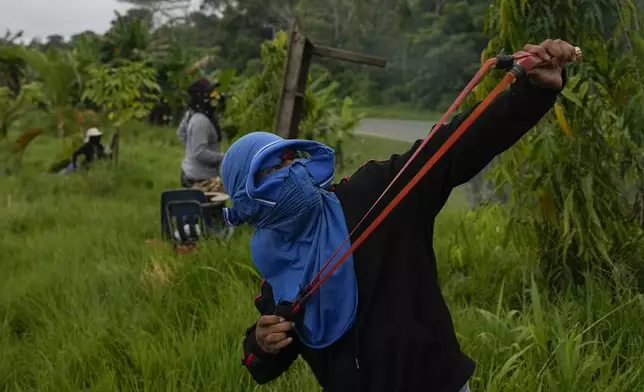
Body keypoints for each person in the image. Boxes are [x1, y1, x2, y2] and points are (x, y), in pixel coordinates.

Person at [221, 39, 577, 392]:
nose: (292, 171)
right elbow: (263, 364)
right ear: (248, 202)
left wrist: (531, 93)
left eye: (291, 160)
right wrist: (261, 343)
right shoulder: (277, 276)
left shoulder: (374, 195)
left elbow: (457, 147)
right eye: (273, 169)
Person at [177, 78, 225, 188]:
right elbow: (199, 152)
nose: (216, 96)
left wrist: (192, 146)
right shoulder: (201, 121)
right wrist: (223, 157)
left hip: (192, 174)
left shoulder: (191, 114)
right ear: (203, 98)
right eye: (211, 93)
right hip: (200, 179)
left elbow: (181, 133)